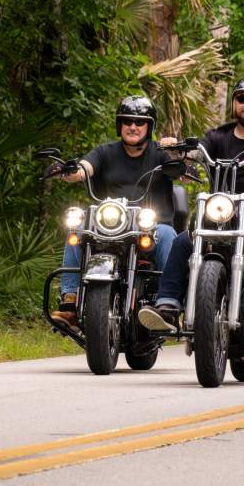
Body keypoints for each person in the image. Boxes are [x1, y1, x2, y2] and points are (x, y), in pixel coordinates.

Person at [139, 76, 244, 337]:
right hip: (220, 218)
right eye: (242, 98)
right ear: (234, 102)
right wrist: (177, 149)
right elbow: (198, 150)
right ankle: (168, 306)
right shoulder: (217, 137)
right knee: (180, 243)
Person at [51, 95, 180, 331]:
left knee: (169, 234)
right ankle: (70, 300)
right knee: (75, 232)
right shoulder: (105, 152)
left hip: (149, 229)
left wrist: (178, 157)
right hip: (107, 227)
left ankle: (168, 304)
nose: (133, 126)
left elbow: (179, 169)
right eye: (127, 121)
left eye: (139, 122)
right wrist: (69, 171)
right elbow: (84, 168)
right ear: (119, 124)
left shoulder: (160, 154)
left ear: (149, 126)